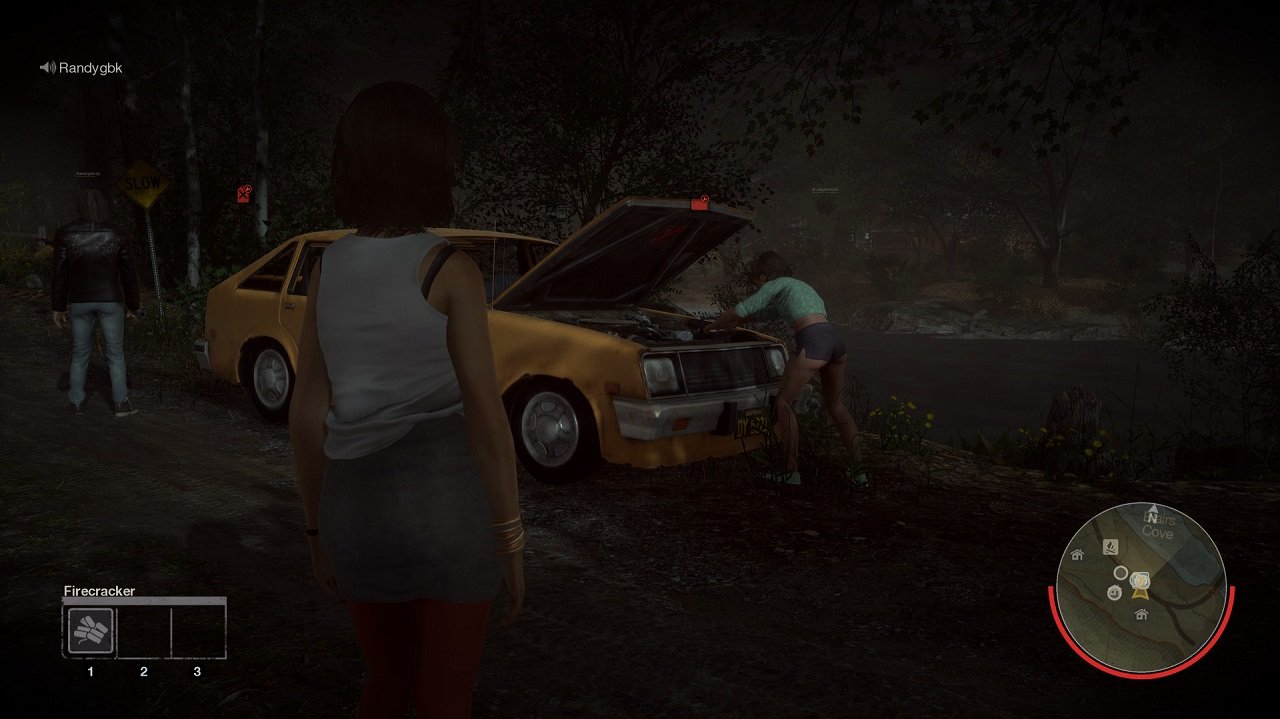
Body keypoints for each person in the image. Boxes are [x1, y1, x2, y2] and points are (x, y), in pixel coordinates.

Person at [289, 81, 524, 719]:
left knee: (388, 685)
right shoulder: (450, 267)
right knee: (444, 698)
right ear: (433, 164)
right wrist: (509, 539)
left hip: (354, 509)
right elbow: (486, 419)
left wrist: (316, 532)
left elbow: (307, 416)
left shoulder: (327, 267)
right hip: (445, 508)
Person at [702, 251, 867, 486]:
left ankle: (791, 472)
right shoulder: (800, 288)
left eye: (757, 284)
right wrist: (735, 323)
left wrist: (710, 327)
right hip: (834, 343)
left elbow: (741, 310)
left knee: (783, 402)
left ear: (763, 276)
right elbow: (757, 315)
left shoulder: (775, 284)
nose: (759, 288)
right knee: (837, 406)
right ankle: (859, 473)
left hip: (814, 343)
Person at [51, 188, 142, 416]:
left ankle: (76, 402)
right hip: (110, 300)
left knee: (80, 353)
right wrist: (133, 305)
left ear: (79, 207)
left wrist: (58, 307)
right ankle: (121, 404)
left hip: (80, 301)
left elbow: (60, 273)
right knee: (115, 354)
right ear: (104, 206)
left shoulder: (65, 233)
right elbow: (129, 272)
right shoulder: (118, 233)